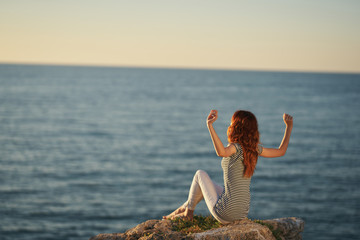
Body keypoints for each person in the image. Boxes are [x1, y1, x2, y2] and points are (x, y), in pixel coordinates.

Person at [163, 110, 293, 223]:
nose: (229, 125)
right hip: (242, 213)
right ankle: (182, 209)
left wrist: (209, 125)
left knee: (200, 174)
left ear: (236, 127)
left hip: (225, 214)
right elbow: (281, 151)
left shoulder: (235, 148)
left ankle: (188, 214)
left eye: (232, 122)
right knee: (207, 187)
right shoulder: (254, 149)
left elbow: (221, 152)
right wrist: (289, 127)